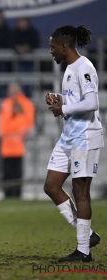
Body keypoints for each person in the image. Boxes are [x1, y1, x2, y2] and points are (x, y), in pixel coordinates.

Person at [45, 25, 102, 262]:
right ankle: (86, 234)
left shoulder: (85, 67)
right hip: (68, 136)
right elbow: (77, 100)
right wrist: (60, 99)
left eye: (53, 47)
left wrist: (64, 107)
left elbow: (92, 102)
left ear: (64, 46)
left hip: (85, 137)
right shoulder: (69, 69)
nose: (51, 51)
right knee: (51, 186)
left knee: (81, 191)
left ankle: (83, 251)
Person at [0, 83, 35, 198]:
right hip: (6, 145)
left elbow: (27, 125)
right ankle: (7, 194)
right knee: (7, 173)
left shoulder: (25, 104)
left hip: (18, 145)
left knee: (17, 173)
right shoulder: (6, 104)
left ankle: (17, 194)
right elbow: (2, 126)